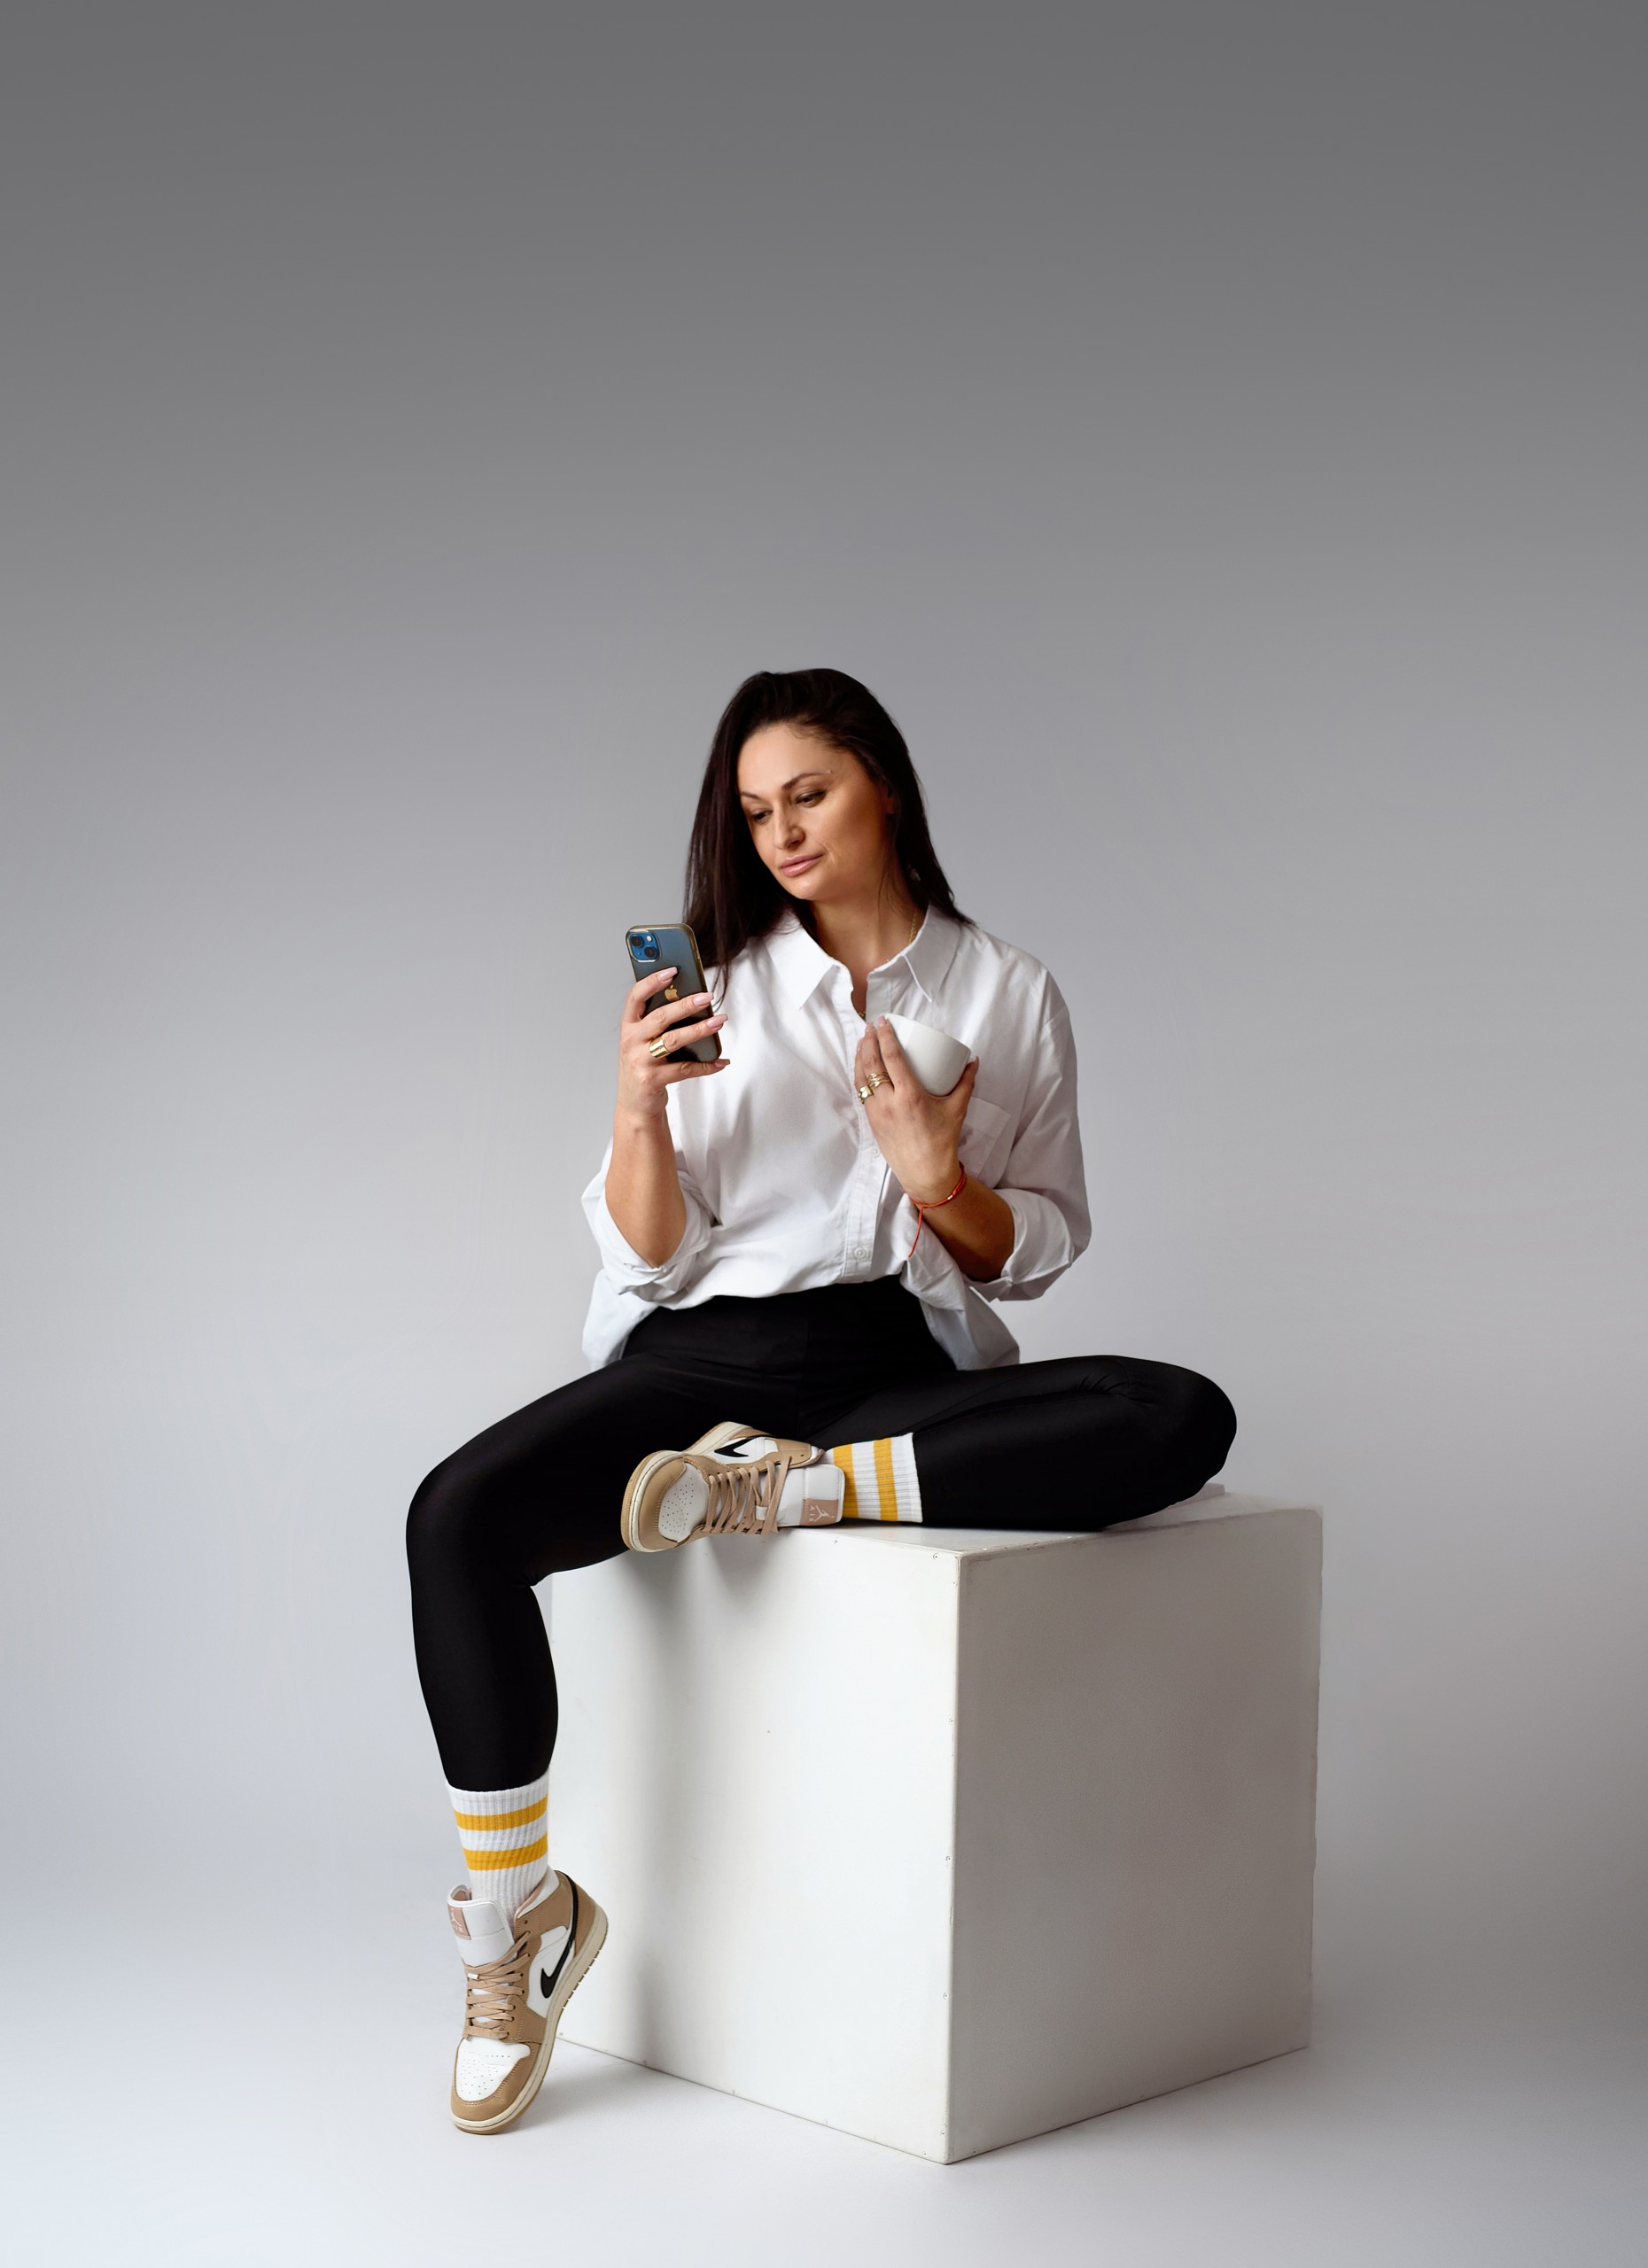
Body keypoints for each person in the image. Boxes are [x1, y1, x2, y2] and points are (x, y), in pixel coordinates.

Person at [406, 667, 1237, 2132]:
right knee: (454, 1516)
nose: (782, 834)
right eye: (755, 812)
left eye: (809, 795)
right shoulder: (713, 987)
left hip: (890, 1369)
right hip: (698, 1363)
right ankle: (519, 1922)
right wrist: (636, 1105)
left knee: (1182, 1414)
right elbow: (650, 1249)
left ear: (885, 788)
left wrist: (940, 1181)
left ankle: (792, 1489)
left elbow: (1039, 1248)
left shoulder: (1006, 993)